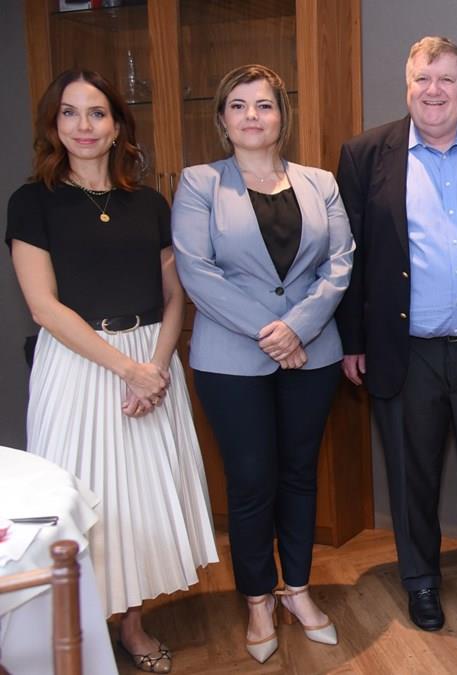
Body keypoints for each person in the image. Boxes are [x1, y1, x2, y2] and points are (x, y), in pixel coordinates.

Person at [7, 69, 218, 674]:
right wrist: (128, 369)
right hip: (79, 363)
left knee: (142, 499)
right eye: (69, 113)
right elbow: (43, 306)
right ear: (53, 126)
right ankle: (80, 631)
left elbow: (175, 295)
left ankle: (132, 623)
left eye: (97, 113)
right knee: (81, 499)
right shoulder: (31, 202)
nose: (84, 126)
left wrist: (155, 367)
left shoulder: (148, 203)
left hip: (152, 359)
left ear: (118, 124)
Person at [334, 36, 457, 632]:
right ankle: (420, 579)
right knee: (409, 470)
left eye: (446, 79)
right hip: (406, 350)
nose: (434, 90)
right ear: (407, 86)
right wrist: (353, 341)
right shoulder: (366, 155)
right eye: (423, 78)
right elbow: (349, 257)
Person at [171, 64, 354, 664]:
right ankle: (257, 599)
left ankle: (296, 589)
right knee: (251, 483)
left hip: (312, 354)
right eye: (239, 105)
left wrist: (297, 328)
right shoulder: (200, 183)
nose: (252, 115)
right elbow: (197, 271)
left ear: (282, 116)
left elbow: (340, 263)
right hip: (231, 360)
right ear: (222, 119)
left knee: (300, 475)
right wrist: (272, 334)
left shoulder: (320, 183)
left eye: (264, 104)